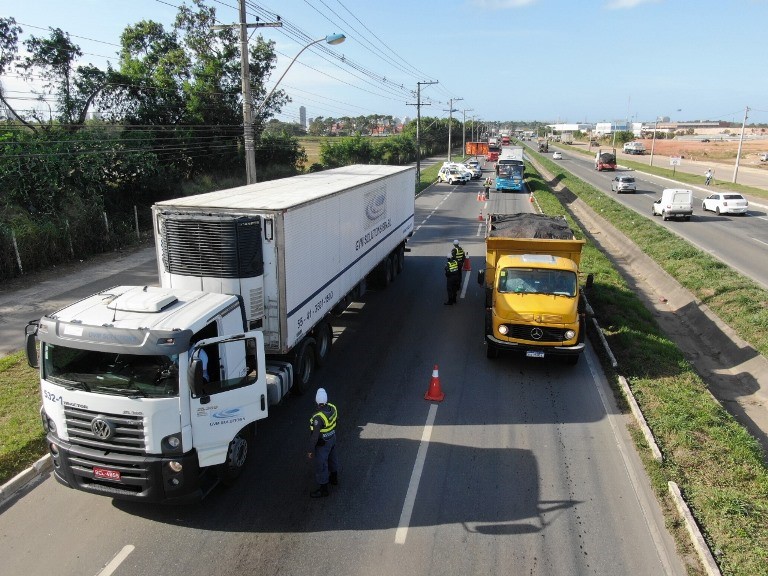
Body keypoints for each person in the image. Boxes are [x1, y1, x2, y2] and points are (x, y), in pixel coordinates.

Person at [307, 388, 338, 498]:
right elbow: (335, 422)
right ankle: (334, 478)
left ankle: (323, 489)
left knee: (322, 464)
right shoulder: (333, 408)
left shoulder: (318, 417)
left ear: (316, 400)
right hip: (332, 438)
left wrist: (310, 450)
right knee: (332, 458)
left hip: (323, 443)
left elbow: (315, 436)